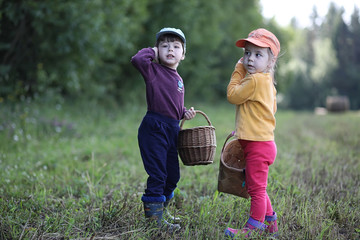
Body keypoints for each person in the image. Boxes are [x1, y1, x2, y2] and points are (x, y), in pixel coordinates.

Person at [131, 27, 196, 231]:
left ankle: (161, 212)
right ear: (158, 49)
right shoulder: (153, 71)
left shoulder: (179, 79)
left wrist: (184, 113)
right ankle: (154, 222)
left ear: (183, 54)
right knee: (158, 174)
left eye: (176, 46)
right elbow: (137, 60)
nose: (170, 49)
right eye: (165, 45)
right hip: (154, 128)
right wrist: (152, 50)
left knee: (172, 176)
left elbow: (173, 105)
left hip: (172, 130)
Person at [225, 28, 280, 238]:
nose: (249, 59)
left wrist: (238, 70)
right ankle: (270, 223)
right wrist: (243, 129)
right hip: (261, 142)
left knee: (256, 190)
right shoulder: (267, 83)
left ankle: (253, 227)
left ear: (269, 61)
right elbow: (264, 112)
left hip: (258, 146)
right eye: (247, 53)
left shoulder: (254, 80)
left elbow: (232, 95)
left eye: (258, 55)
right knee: (257, 185)